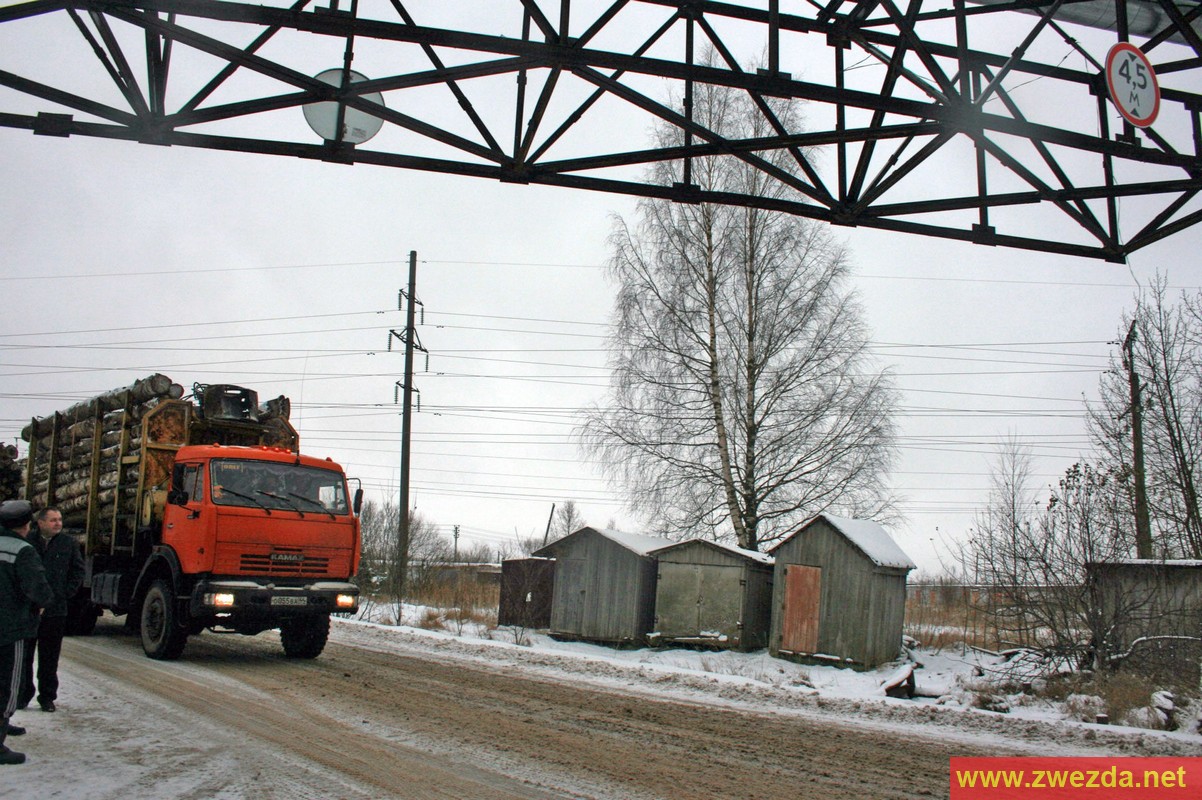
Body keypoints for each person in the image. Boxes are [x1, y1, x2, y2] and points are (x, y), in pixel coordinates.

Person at [0, 499, 52, 766]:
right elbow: (37, 587)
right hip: (12, 626)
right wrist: (43, 603)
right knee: (9, 682)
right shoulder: (23, 550)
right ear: (26, 524)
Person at [19, 507, 84, 713]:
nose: (58, 523)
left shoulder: (68, 543)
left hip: (55, 610)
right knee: (25, 656)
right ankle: (23, 695)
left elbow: (78, 570)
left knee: (49, 657)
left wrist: (64, 594)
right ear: (40, 523)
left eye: (60, 520)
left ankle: (47, 697)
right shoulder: (28, 542)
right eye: (53, 520)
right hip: (28, 610)